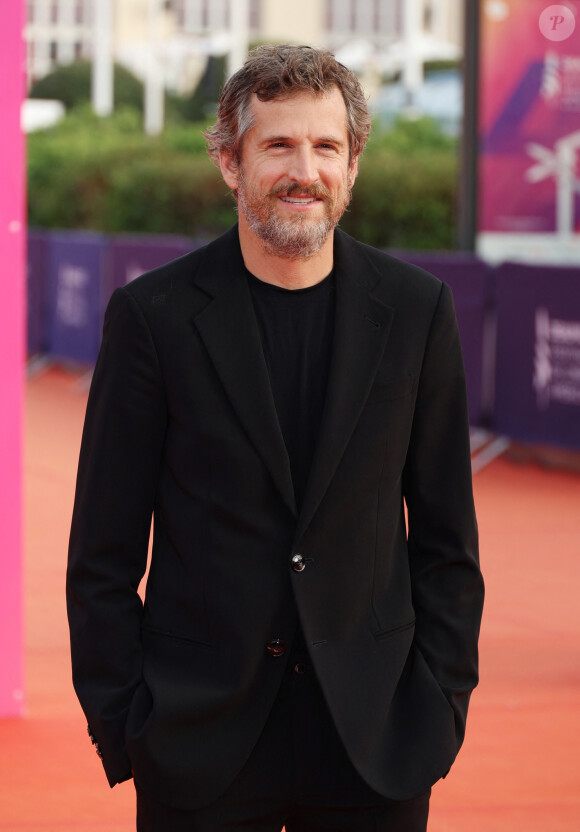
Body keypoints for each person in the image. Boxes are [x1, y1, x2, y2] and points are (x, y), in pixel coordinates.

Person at [67, 44, 484, 832]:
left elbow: (447, 540)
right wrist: (127, 725)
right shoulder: (153, 319)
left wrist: (440, 706)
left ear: (353, 164)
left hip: (375, 741)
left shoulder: (418, 312)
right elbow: (102, 549)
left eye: (326, 146)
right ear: (231, 163)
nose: (305, 169)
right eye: (278, 145)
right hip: (199, 743)